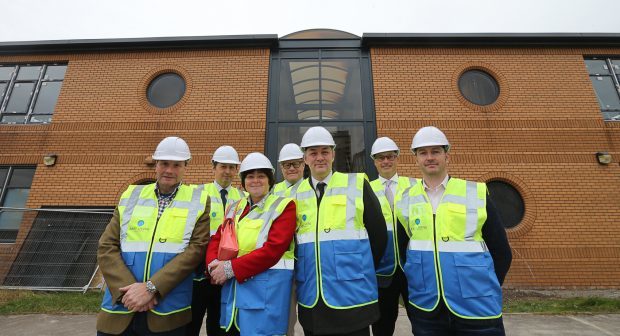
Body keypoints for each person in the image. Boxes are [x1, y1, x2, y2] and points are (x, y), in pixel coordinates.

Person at [395, 126, 512, 336]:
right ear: (416, 159)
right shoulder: (405, 200)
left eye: (436, 151)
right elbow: (404, 253)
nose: (429, 157)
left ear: (447, 156)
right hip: (427, 309)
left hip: (477, 309)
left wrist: (484, 289)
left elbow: (501, 251)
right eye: (423, 152)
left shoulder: (474, 193)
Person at [97, 136, 210, 336]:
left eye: (176, 165)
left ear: (185, 167)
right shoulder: (131, 195)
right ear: (156, 165)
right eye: (164, 163)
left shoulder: (199, 199)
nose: (169, 170)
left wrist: (151, 288)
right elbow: (107, 246)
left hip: (167, 311)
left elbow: (196, 250)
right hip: (122, 305)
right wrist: (130, 293)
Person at [294, 126, 387, 336]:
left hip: (353, 297)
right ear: (305, 158)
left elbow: (379, 237)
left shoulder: (357, 185)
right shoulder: (294, 196)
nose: (320, 158)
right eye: (313, 153)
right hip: (313, 298)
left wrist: (358, 268)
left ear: (333, 154)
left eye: (325, 152)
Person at [206, 152, 296, 335]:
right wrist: (212, 265)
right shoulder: (234, 207)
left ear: (270, 180)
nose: (255, 181)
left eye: (261, 176)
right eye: (250, 176)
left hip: (266, 293)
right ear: (243, 181)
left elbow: (273, 250)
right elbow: (218, 237)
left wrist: (229, 269)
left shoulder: (284, 206)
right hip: (234, 293)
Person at [188, 145, 244, 336]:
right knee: (191, 323)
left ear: (236, 170)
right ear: (213, 167)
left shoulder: (243, 198)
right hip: (199, 273)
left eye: (232, 167)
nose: (227, 172)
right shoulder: (198, 193)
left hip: (225, 274)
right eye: (223, 166)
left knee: (219, 325)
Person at [368, 137, 416, 336]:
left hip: (412, 269)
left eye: (389, 157)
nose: (385, 161)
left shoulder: (415, 185)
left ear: (397, 158)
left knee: (423, 322)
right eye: (381, 158)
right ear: (374, 161)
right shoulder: (366, 189)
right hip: (382, 271)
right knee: (382, 326)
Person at [272, 143, 304, 335]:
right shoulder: (273, 192)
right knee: (285, 317)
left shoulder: (314, 188)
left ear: (303, 164)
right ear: (281, 168)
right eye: (286, 165)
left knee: (314, 314)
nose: (291, 168)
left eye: (295, 163)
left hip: (310, 260)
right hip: (282, 264)